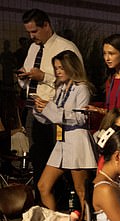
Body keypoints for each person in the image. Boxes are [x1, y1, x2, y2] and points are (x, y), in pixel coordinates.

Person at [17, 9, 82, 200]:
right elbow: (29, 79)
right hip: (34, 112)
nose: (31, 36)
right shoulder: (33, 49)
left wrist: (44, 76)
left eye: (35, 31)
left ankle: (64, 204)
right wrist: (24, 76)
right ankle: (43, 203)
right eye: (28, 32)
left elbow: (77, 82)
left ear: (46, 25)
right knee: (38, 159)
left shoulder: (65, 48)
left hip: (56, 115)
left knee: (59, 162)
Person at [32, 50, 96, 214]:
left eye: (61, 67)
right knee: (43, 186)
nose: (58, 71)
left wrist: (51, 109)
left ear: (71, 67)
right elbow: (52, 116)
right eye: (56, 68)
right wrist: (40, 109)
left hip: (76, 141)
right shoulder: (60, 89)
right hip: (61, 142)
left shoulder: (82, 88)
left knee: (81, 190)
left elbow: (81, 117)